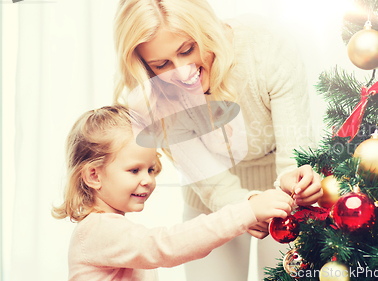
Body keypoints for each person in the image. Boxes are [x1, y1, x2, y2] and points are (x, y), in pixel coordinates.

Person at [113, 0, 323, 280]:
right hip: (209, 201)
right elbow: (214, 185)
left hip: (283, 194)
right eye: (162, 64)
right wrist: (246, 206)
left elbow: (295, 152)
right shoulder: (152, 95)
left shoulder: (266, 47)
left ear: (207, 29)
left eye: (187, 50)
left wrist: (297, 182)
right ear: (145, 67)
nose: (182, 72)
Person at [52, 104, 295, 280]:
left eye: (150, 169)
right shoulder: (97, 230)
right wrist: (247, 211)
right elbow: (167, 245)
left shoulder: (109, 229)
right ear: (94, 175)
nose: (147, 179)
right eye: (134, 170)